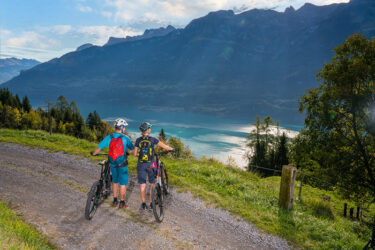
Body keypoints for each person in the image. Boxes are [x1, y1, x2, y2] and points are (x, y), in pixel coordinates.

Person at [91, 118, 134, 208]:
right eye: (124, 127)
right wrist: (127, 153)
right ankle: (122, 202)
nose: (125, 128)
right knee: (122, 184)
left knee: (114, 182)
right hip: (122, 164)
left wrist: (94, 153)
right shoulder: (126, 138)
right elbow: (132, 149)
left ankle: (114, 201)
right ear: (121, 127)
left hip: (113, 163)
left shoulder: (109, 137)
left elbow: (99, 147)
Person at [134, 122, 173, 210]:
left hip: (140, 165)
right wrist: (171, 149)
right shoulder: (153, 139)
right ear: (147, 129)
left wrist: (142, 155)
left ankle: (143, 204)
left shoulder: (138, 140)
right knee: (152, 183)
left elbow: (135, 154)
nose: (150, 129)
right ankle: (151, 203)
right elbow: (165, 146)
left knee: (142, 184)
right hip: (151, 164)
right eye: (149, 128)